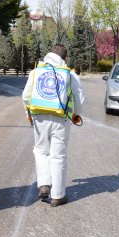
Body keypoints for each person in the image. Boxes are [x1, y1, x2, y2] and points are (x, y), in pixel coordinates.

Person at [22, 44, 85, 207]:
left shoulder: (36, 71)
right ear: (65, 58)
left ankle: (43, 184)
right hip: (61, 118)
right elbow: (79, 100)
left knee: (41, 150)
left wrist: (28, 114)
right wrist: (76, 115)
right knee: (58, 156)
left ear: (48, 55)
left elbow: (25, 96)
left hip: (39, 117)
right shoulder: (70, 74)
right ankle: (58, 196)